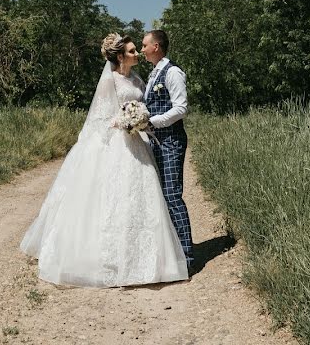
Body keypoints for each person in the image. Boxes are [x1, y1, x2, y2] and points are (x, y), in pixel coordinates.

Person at [19, 33, 189, 287]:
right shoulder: (110, 82)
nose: (137, 54)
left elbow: (149, 106)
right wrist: (122, 121)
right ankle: (110, 258)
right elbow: (99, 117)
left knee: (148, 197)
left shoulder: (139, 78)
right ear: (120, 56)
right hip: (117, 142)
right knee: (114, 199)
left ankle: (154, 256)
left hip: (137, 142)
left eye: (139, 48)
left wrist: (140, 120)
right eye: (132, 51)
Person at [141, 29, 194, 270]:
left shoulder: (173, 72)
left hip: (171, 141)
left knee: (173, 196)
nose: (142, 50)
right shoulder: (153, 74)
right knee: (162, 197)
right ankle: (173, 254)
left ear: (157, 46)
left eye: (145, 45)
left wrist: (153, 121)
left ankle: (187, 258)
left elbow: (181, 108)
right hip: (156, 142)